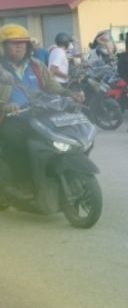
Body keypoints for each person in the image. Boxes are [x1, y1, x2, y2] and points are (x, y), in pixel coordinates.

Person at [0, 24, 78, 196]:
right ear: (3, 46)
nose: (19, 46)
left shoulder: (37, 65)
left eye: (23, 43)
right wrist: (4, 106)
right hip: (11, 118)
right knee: (17, 143)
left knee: (66, 139)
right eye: (13, 43)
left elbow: (53, 86)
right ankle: (21, 182)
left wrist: (70, 94)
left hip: (41, 116)